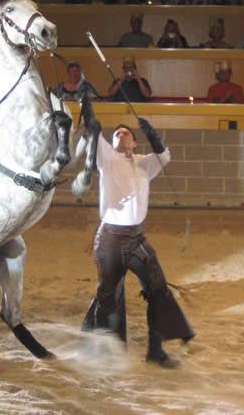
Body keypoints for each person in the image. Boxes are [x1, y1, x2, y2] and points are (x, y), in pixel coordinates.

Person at [81, 116, 195, 367]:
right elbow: (93, 131)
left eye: (125, 133)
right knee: (108, 296)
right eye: (116, 135)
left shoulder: (145, 163)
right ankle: (104, 351)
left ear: (134, 143)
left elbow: (164, 155)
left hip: (136, 238)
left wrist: (151, 132)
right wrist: (89, 113)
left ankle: (155, 351)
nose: (120, 136)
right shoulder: (107, 159)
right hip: (110, 238)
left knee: (158, 290)